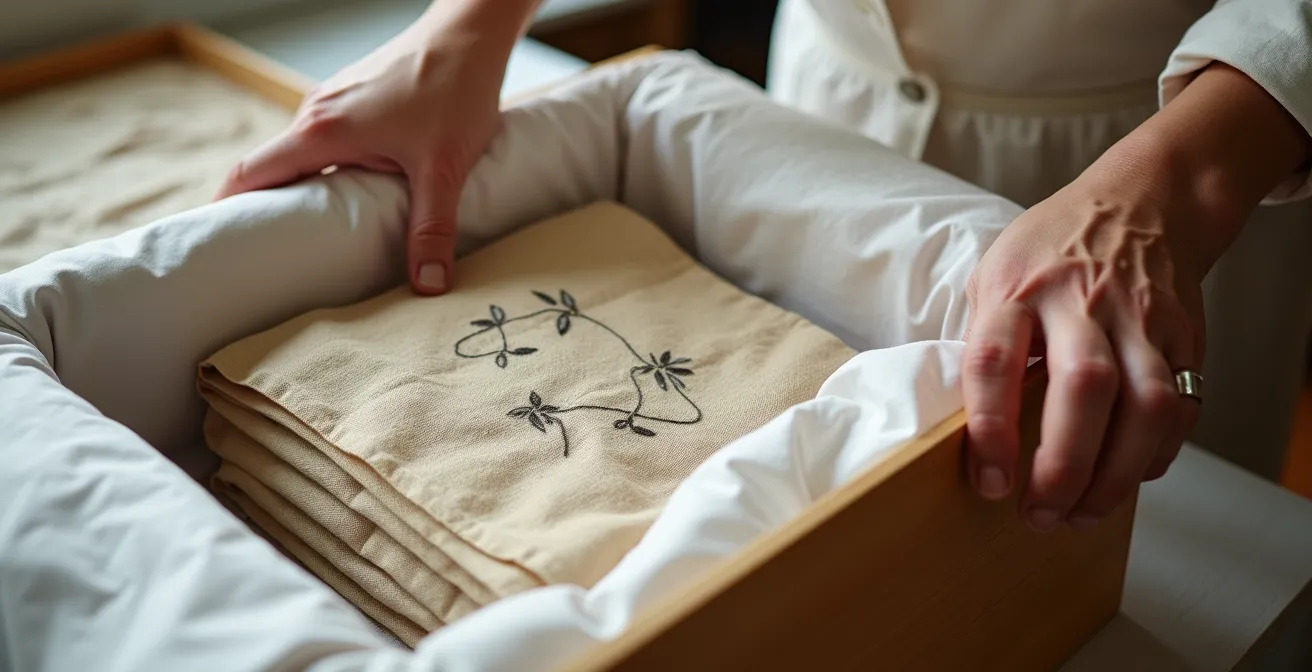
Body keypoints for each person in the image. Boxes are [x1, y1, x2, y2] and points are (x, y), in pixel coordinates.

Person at [216, 0, 1312, 533]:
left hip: (1175, 153)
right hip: (812, 111)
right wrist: (468, 29)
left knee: (1156, 546)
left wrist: (1177, 183)